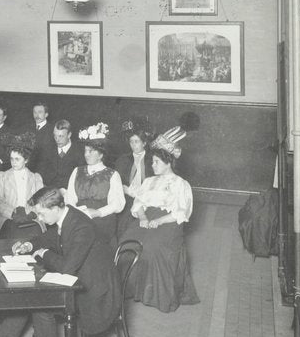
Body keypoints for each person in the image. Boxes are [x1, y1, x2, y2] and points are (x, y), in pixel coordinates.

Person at [0, 186, 118, 337]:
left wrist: (44, 253)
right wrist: (29, 244)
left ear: (56, 208)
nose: (39, 219)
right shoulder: (68, 215)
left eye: (41, 214)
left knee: (40, 299)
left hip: (95, 291)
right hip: (83, 276)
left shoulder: (81, 226)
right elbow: (49, 237)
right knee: (28, 289)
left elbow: (67, 268)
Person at [121, 141, 199, 313]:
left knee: (152, 247)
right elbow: (139, 203)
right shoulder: (148, 181)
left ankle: (155, 295)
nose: (152, 165)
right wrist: (142, 217)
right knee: (127, 243)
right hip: (146, 218)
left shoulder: (181, 184)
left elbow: (181, 212)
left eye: (156, 162)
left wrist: (160, 221)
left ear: (168, 163)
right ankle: (132, 289)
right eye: (152, 161)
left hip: (169, 221)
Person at [63, 123, 126, 247]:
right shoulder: (77, 171)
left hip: (102, 220)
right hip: (79, 218)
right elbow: (69, 199)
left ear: (101, 154)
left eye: (91, 151)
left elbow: (117, 204)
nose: (86, 154)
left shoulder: (112, 174)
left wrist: (97, 212)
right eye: (85, 151)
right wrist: (76, 214)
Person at [0, 145, 45, 240]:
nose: (13, 162)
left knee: (35, 233)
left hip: (31, 217)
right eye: (11, 159)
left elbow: (41, 202)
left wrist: (32, 214)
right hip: (6, 217)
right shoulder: (2, 176)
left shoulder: (36, 178)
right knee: (13, 232)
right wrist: (12, 214)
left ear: (26, 160)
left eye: (17, 159)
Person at [114, 120, 152, 236]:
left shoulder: (152, 160)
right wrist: (126, 190)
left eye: (137, 142)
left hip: (148, 197)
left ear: (144, 143)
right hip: (128, 197)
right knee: (123, 222)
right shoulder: (123, 160)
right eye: (131, 142)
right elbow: (117, 181)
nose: (134, 145)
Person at [43, 119, 85, 189]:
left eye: (61, 136)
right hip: (50, 194)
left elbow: (81, 180)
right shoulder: (48, 150)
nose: (57, 140)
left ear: (69, 135)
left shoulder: (80, 152)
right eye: (55, 136)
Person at [27, 101, 57, 176]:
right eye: (35, 112)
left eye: (40, 112)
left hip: (46, 171)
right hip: (29, 170)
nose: (37, 115)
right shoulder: (28, 128)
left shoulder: (53, 130)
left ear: (46, 114)